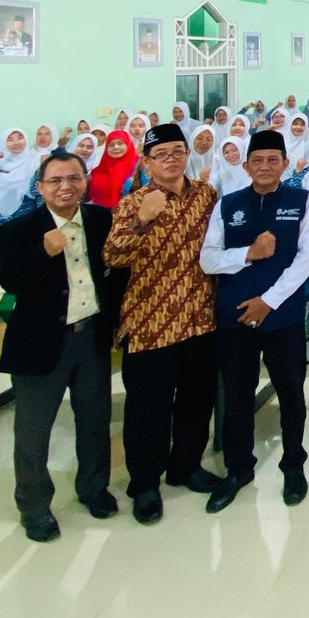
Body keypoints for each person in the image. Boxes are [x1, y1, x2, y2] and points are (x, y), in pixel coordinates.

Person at [0, 149, 124, 542]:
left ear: (85, 182)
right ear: (41, 187)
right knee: (33, 432)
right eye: (55, 181)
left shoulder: (103, 219)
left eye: (73, 178)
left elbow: (117, 273)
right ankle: (34, 507)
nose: (65, 187)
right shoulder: (16, 231)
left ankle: (93, 489)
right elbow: (12, 283)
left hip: (92, 338)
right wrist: (43, 253)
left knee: (95, 419)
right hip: (41, 344)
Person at [102, 123, 224, 524]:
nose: (171, 160)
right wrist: (141, 221)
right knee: (148, 409)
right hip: (150, 322)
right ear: (147, 161)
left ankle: (185, 465)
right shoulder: (134, 202)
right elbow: (113, 257)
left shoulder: (206, 196)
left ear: (188, 153)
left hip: (199, 319)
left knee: (196, 400)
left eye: (177, 151)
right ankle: (145, 483)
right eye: (161, 154)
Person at [197, 130, 309, 512]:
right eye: (258, 161)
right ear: (247, 165)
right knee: (236, 395)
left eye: (273, 160)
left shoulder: (304, 201)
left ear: (285, 164)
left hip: (281, 317)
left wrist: (267, 301)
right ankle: (239, 468)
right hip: (235, 317)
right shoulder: (227, 204)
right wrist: (248, 254)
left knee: (290, 393)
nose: (265, 167)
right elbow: (208, 259)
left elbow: (307, 259)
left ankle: (293, 466)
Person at [87, 130, 139, 208]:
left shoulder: (140, 167)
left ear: (128, 144)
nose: (116, 147)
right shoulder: (97, 171)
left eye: (120, 143)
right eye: (111, 145)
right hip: (101, 215)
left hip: (132, 215)